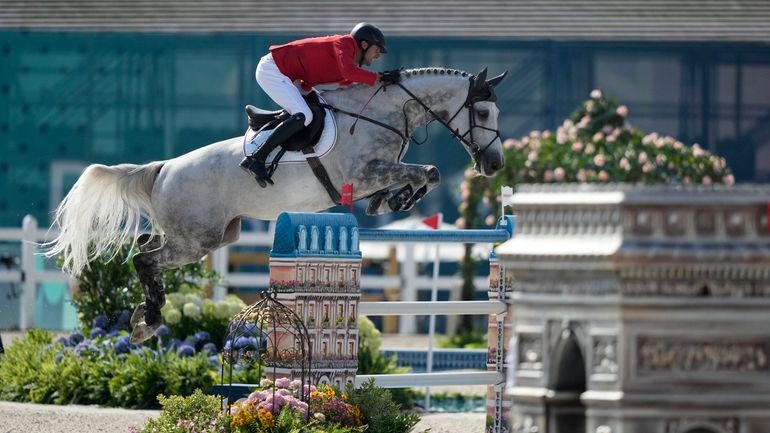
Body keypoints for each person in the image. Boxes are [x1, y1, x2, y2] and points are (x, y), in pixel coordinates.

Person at [240, 22, 402, 187]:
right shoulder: (345, 43)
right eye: (377, 50)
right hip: (273, 70)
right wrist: (380, 77)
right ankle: (256, 158)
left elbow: (350, 85)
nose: (377, 56)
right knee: (304, 115)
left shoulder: (348, 60)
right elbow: (350, 73)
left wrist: (382, 83)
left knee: (322, 107)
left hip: (292, 77)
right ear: (364, 44)